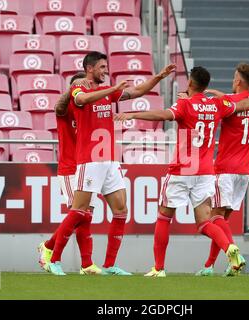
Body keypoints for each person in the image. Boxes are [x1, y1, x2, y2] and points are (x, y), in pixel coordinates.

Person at [115, 66, 249, 277]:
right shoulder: (216, 105)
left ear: (189, 83)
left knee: (164, 216)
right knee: (205, 222)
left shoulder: (185, 104)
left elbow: (162, 114)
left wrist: (133, 114)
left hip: (182, 169)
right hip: (205, 172)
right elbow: (240, 105)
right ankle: (229, 248)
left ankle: (158, 268)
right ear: (205, 85)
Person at [46, 51, 176, 276]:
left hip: (109, 161)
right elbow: (82, 100)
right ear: (90, 68)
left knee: (121, 210)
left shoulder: (108, 94)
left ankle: (109, 265)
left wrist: (159, 77)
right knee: (79, 212)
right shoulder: (80, 89)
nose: (105, 71)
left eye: (106, 67)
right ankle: (54, 258)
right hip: (90, 160)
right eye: (102, 67)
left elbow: (137, 91)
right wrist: (112, 89)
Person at [195, 63, 249, 277]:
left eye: (235, 77)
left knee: (214, 218)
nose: (233, 79)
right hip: (244, 171)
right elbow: (236, 101)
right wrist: (222, 94)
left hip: (225, 168)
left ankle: (235, 255)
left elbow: (221, 105)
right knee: (221, 220)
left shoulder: (229, 102)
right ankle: (210, 266)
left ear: (239, 81)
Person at [38, 72, 103, 275]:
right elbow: (57, 107)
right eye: (78, 86)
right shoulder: (66, 108)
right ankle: (49, 248)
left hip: (88, 167)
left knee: (86, 216)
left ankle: (86, 264)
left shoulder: (89, 109)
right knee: (78, 214)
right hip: (69, 168)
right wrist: (72, 88)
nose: (82, 89)